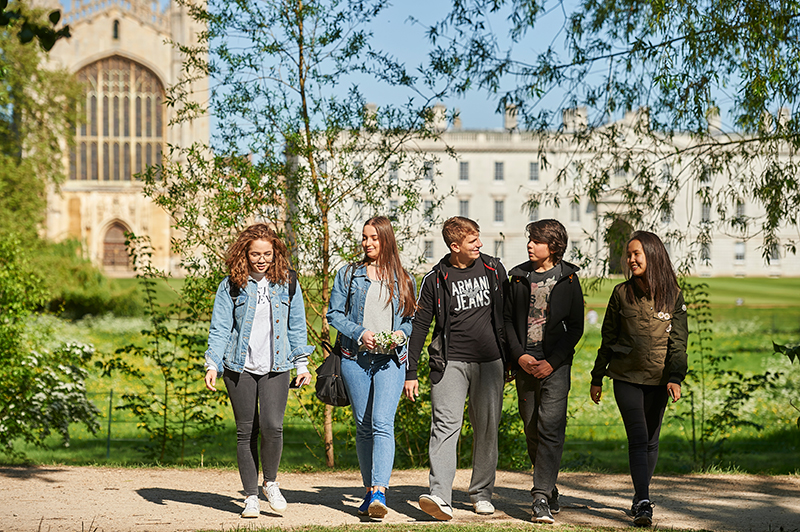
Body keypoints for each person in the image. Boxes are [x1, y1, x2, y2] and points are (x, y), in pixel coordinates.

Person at [204, 224, 314, 518]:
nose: (262, 259)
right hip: (238, 367)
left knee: (272, 426)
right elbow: (220, 328)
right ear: (245, 254)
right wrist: (212, 363)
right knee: (246, 431)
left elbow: (296, 326)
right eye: (255, 254)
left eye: (267, 253)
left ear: (275, 253)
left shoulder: (287, 282)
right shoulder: (231, 285)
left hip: (277, 365)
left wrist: (302, 363)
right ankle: (251, 496)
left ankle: (271, 483)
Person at [405, 216, 508, 520]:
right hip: (449, 363)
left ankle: (481, 493)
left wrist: (511, 360)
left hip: (490, 363)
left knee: (487, 429)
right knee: (445, 427)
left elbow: (508, 315)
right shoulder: (435, 279)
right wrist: (411, 371)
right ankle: (440, 495)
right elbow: (420, 326)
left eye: (479, 238)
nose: (480, 244)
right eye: (473, 240)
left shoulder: (493, 269)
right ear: (455, 246)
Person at [590, 230, 688, 527]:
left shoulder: (673, 295)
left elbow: (679, 343)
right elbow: (608, 337)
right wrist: (597, 376)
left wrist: (675, 377)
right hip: (625, 376)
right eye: (629, 255)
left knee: (651, 440)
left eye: (637, 254)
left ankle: (639, 494)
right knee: (638, 437)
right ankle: (644, 501)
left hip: (659, 380)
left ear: (653, 255)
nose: (631, 260)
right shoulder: (621, 293)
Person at [326, 216, 417, 519]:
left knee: (381, 422)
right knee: (363, 427)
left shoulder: (404, 278)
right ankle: (367, 492)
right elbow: (334, 315)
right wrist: (358, 332)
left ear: (386, 239)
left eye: (373, 238)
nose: (367, 243)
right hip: (355, 358)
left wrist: (401, 334)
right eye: (364, 237)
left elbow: (409, 320)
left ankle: (380, 490)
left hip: (390, 360)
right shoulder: (349, 274)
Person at [503, 219, 584, 523]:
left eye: (536, 241)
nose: (529, 245)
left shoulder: (569, 279)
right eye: (529, 239)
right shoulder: (519, 277)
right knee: (532, 428)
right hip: (526, 362)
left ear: (553, 246)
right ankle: (549, 487)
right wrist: (519, 356)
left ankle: (539, 497)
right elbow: (507, 321)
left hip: (556, 365)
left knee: (551, 428)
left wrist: (554, 360)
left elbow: (575, 327)